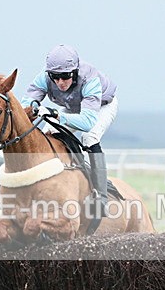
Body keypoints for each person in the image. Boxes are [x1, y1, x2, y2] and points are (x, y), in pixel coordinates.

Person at [21, 44, 118, 217]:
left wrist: (55, 114)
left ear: (74, 71)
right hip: (73, 106)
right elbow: (26, 102)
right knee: (47, 135)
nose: (60, 82)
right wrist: (34, 106)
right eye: (55, 77)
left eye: (65, 77)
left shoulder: (90, 79)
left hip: (101, 107)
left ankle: (101, 197)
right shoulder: (44, 77)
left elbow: (88, 121)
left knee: (90, 137)